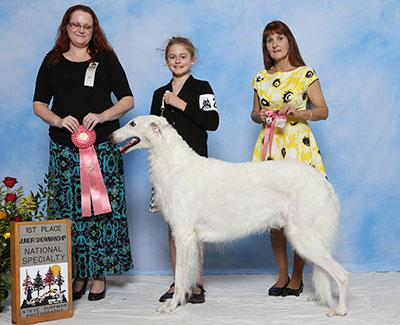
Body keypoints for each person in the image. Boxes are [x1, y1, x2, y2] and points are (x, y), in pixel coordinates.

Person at [33, 4, 134, 301]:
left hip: (102, 148)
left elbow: (127, 99)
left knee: (101, 211)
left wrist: (103, 116)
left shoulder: (106, 60)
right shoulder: (52, 61)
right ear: (66, 27)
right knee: (69, 212)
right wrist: (57, 119)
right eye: (75, 24)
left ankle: (99, 273)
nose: (80, 30)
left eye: (86, 26)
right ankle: (76, 273)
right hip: (64, 150)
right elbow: (39, 103)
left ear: (94, 30)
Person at [251, 21, 329, 297]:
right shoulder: (260, 78)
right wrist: (258, 116)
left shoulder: (306, 74)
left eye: (279, 38)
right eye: (269, 40)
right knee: (274, 214)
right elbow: (255, 112)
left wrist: (298, 112)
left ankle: (297, 277)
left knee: (300, 214)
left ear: (289, 41)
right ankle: (281, 275)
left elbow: (322, 111)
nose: (274, 44)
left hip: (298, 146)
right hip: (270, 147)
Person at [150, 37, 219, 304]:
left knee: (195, 224)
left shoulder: (202, 88)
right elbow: (150, 131)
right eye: (172, 57)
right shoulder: (159, 94)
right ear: (166, 61)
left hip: (195, 167)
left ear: (193, 59)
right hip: (167, 170)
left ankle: (197, 282)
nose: (177, 61)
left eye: (182, 56)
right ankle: (180, 280)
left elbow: (212, 122)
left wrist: (180, 104)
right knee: (174, 223)